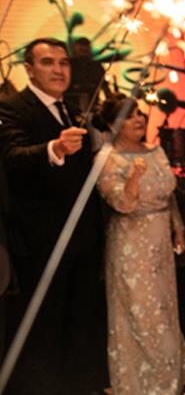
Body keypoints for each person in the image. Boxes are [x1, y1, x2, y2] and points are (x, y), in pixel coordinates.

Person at [0, 37, 107, 393]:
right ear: (29, 69)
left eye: (63, 63)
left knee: (81, 320)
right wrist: (54, 148)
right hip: (41, 239)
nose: (59, 70)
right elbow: (11, 157)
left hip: (82, 238)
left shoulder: (71, 107)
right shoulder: (13, 107)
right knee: (45, 325)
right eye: (48, 62)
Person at [94, 94, 185, 394]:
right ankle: (152, 385)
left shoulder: (157, 151)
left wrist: (177, 228)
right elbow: (121, 203)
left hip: (160, 245)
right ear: (113, 125)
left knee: (164, 310)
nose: (139, 119)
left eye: (139, 113)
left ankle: (170, 376)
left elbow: (170, 197)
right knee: (142, 316)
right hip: (130, 246)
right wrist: (134, 178)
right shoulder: (106, 159)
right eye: (129, 116)